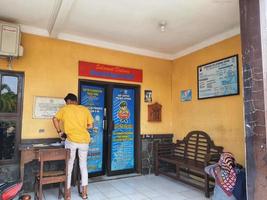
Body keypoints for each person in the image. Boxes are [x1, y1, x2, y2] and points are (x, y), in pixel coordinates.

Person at [52, 93, 93, 200]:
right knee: (83, 167)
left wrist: (59, 132)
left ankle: (68, 195)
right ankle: (84, 194)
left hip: (71, 141)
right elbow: (90, 125)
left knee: (69, 166)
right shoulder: (84, 109)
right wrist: (81, 128)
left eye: (66, 102)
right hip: (84, 141)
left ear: (69, 101)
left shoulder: (65, 109)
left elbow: (54, 119)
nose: (66, 104)